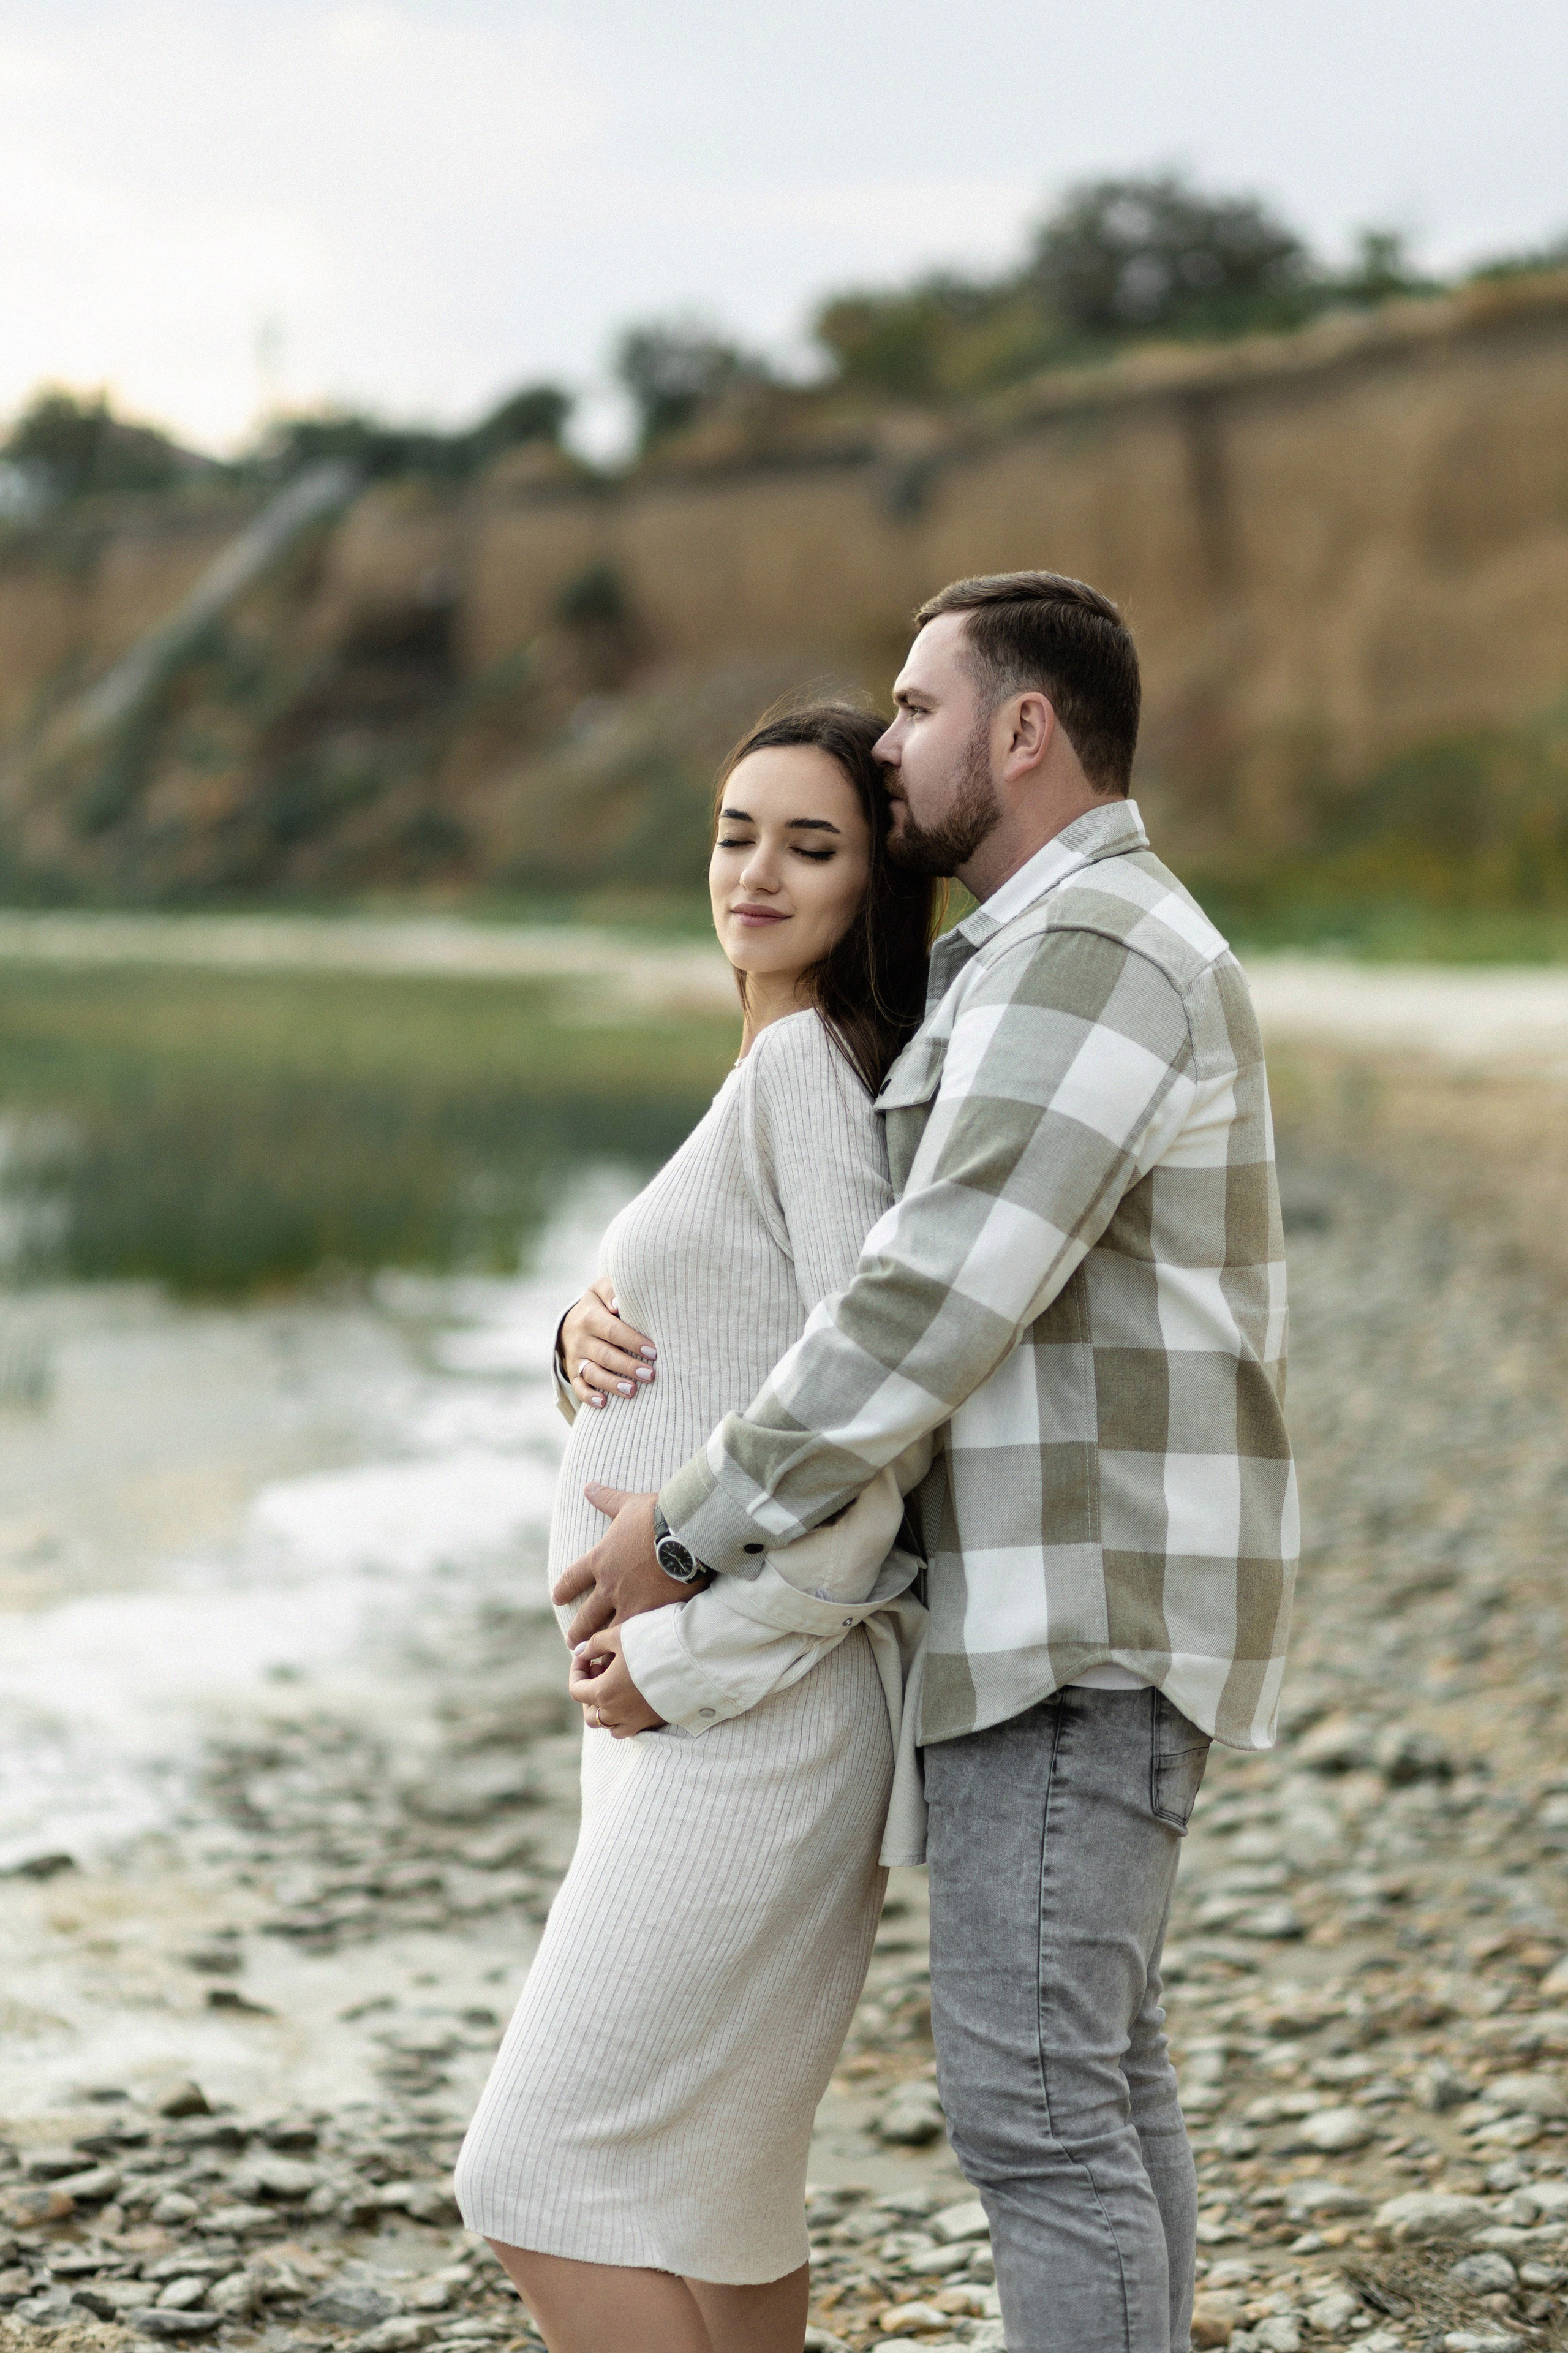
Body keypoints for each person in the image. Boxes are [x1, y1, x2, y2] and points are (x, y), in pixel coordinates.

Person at [556, 572, 1298, 2353]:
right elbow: (818, 1275)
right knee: (1096, 2083)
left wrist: (690, 1533)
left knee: (1043, 2113)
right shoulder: (1025, 960)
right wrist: (580, 1335)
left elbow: (921, 1303)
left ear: (1023, 729)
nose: (889, 751)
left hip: (1075, 1604)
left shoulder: (1097, 957)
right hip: (1054, 1600)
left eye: (913, 710)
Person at [453, 703, 940, 2353]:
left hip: (745, 1713)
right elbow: (743, 1360)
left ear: (876, 879)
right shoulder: (780, 1066)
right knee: (723, 2178)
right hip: (711, 1711)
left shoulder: (808, 1068)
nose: (757, 869)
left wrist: (686, 1659)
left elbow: (868, 1447)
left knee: (526, 2170)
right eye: (738, 831)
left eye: (812, 843)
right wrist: (574, 1336)